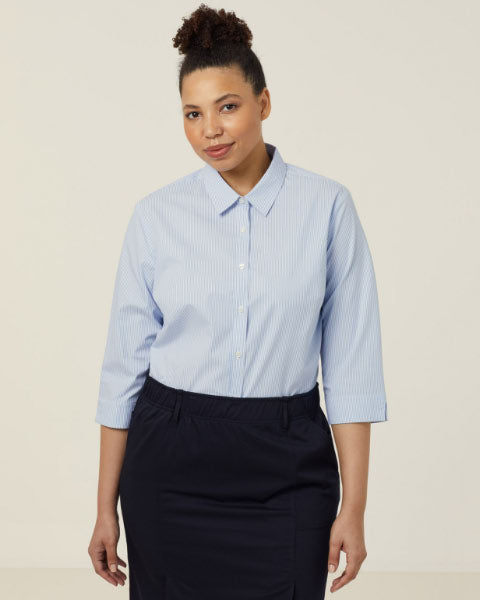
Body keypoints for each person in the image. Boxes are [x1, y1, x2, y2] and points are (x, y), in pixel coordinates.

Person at [88, 4, 388, 599]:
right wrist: (103, 508)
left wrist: (353, 509)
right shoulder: (156, 216)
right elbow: (124, 369)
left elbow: (352, 367)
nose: (211, 130)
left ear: (263, 103)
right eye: (193, 114)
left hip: (287, 460)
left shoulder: (327, 208)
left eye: (227, 107)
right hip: (170, 459)